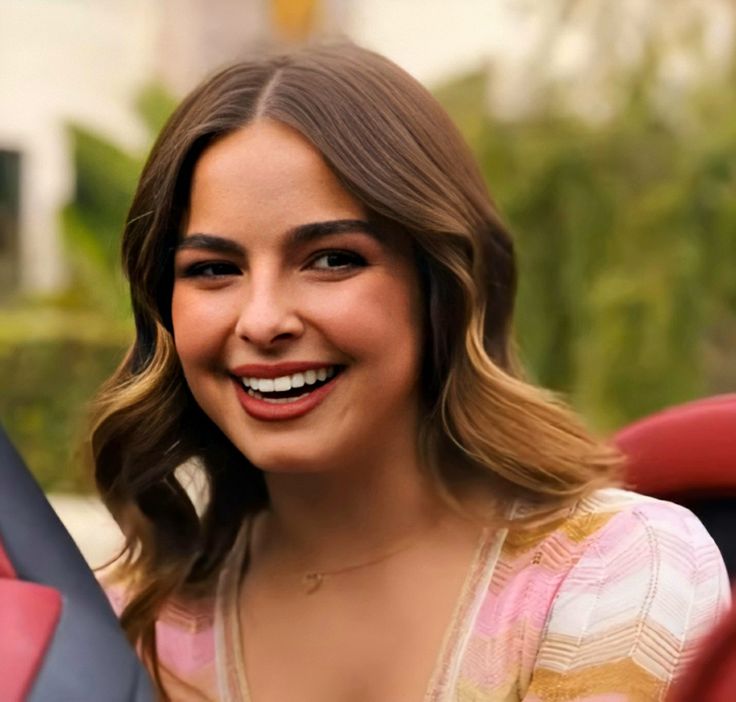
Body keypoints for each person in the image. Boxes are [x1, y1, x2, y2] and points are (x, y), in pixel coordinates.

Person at [92, 43, 729, 701]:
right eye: (213, 270)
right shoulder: (131, 623)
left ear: (440, 285)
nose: (261, 321)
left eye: (332, 259)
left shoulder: (615, 569)